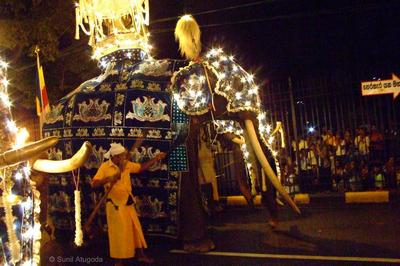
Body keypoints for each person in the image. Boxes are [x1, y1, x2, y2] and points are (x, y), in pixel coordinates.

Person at [91, 143, 166, 266]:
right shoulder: (105, 167)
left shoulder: (125, 165)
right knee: (119, 234)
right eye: (121, 156)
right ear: (115, 156)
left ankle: (140, 255)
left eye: (124, 156)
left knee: (135, 229)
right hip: (115, 206)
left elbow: (141, 168)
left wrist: (156, 158)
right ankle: (119, 260)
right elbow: (94, 184)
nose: (124, 158)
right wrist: (108, 179)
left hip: (128, 202)